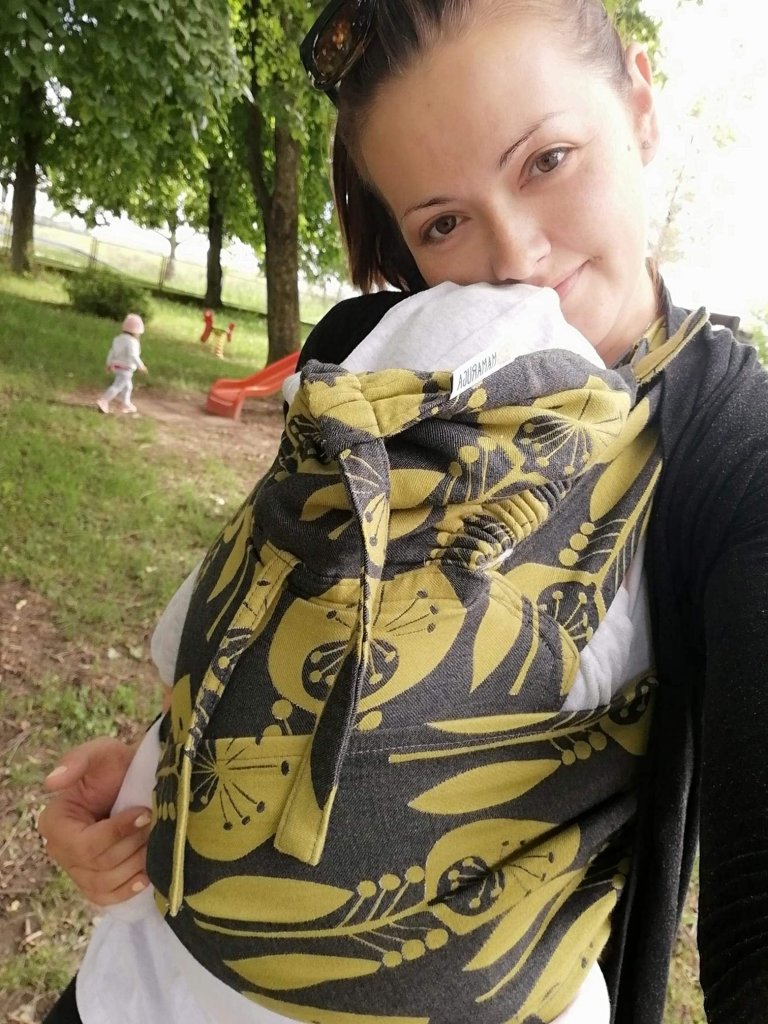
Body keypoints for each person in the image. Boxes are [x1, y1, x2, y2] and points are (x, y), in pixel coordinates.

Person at [36, 2, 768, 1023]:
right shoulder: (365, 349)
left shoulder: (730, 455)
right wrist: (154, 775)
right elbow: (281, 615)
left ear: (639, 103)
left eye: (547, 160)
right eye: (442, 223)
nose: (517, 254)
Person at [97, 313, 148, 415]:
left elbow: (112, 352)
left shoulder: (118, 339)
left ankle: (126, 404)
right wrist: (141, 366)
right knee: (118, 386)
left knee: (128, 386)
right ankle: (104, 400)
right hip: (126, 368)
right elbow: (133, 356)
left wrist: (109, 363)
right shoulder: (133, 342)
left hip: (117, 366)